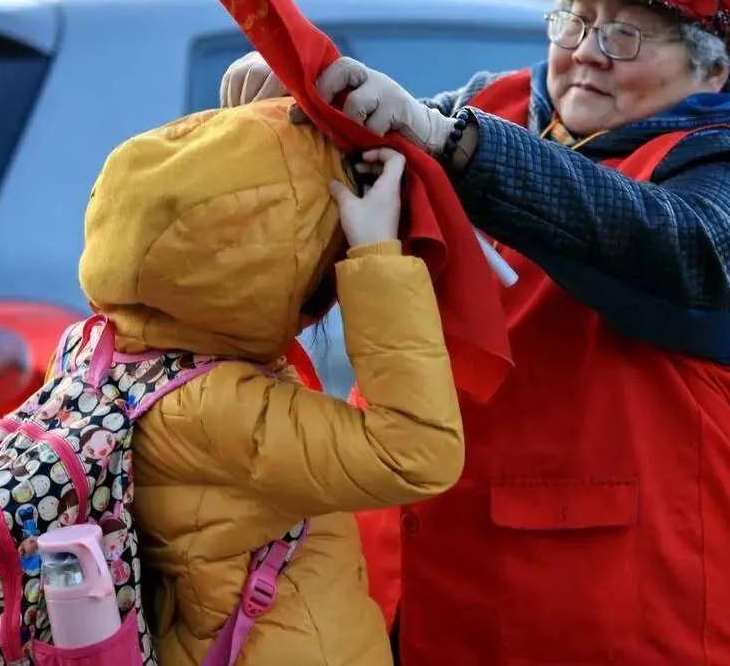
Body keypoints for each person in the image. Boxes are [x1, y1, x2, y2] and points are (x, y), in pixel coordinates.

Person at [220, 0, 730, 665]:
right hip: (427, 594)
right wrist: (289, 112)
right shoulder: (490, 109)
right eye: (574, 22)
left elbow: (691, 249)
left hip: (662, 620)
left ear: (711, 74)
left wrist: (454, 147)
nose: (585, 53)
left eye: (627, 36)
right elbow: (351, 174)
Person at [78, 99, 463, 665]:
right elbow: (416, 450)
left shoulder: (99, 349)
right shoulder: (212, 407)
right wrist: (375, 253)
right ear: (244, 267)